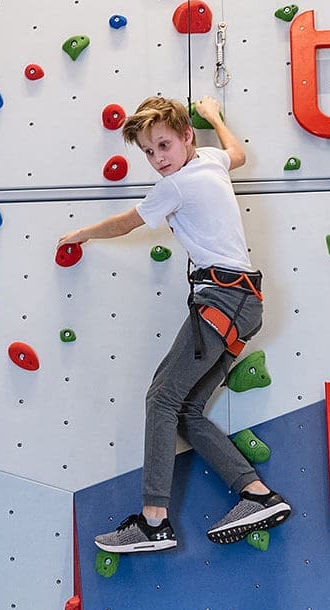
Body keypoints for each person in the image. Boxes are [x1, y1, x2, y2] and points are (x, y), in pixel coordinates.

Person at [59, 96, 291, 554]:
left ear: (187, 136)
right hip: (246, 303)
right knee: (185, 410)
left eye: (164, 145)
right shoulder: (209, 161)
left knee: (161, 399)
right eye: (148, 152)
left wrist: (81, 234)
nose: (158, 158)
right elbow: (238, 154)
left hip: (221, 299)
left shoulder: (178, 185)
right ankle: (256, 494)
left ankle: (153, 521)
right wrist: (217, 118)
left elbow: (127, 223)